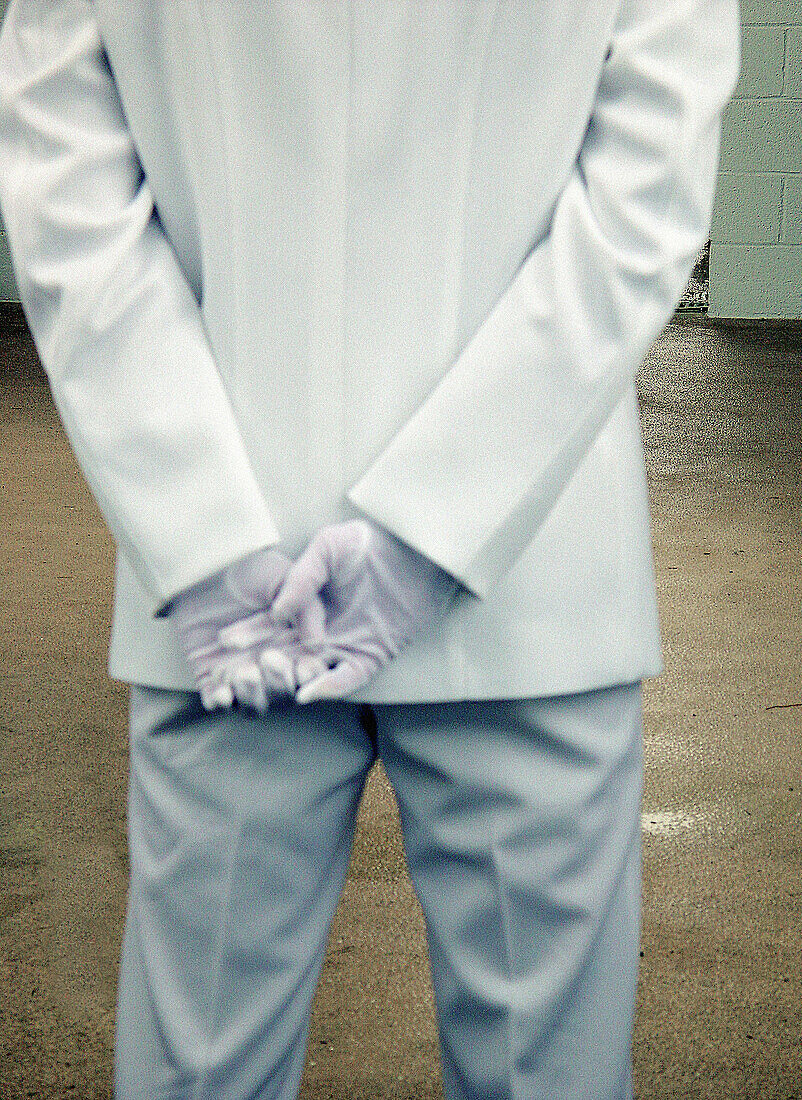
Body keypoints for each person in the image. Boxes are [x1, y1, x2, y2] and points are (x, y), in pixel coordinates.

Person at [0, 1, 740, 1097]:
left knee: (197, 1074)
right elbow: (643, 201)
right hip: (528, 585)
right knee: (549, 1077)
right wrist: (436, 528)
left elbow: (68, 195)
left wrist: (201, 537)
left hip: (232, 598)